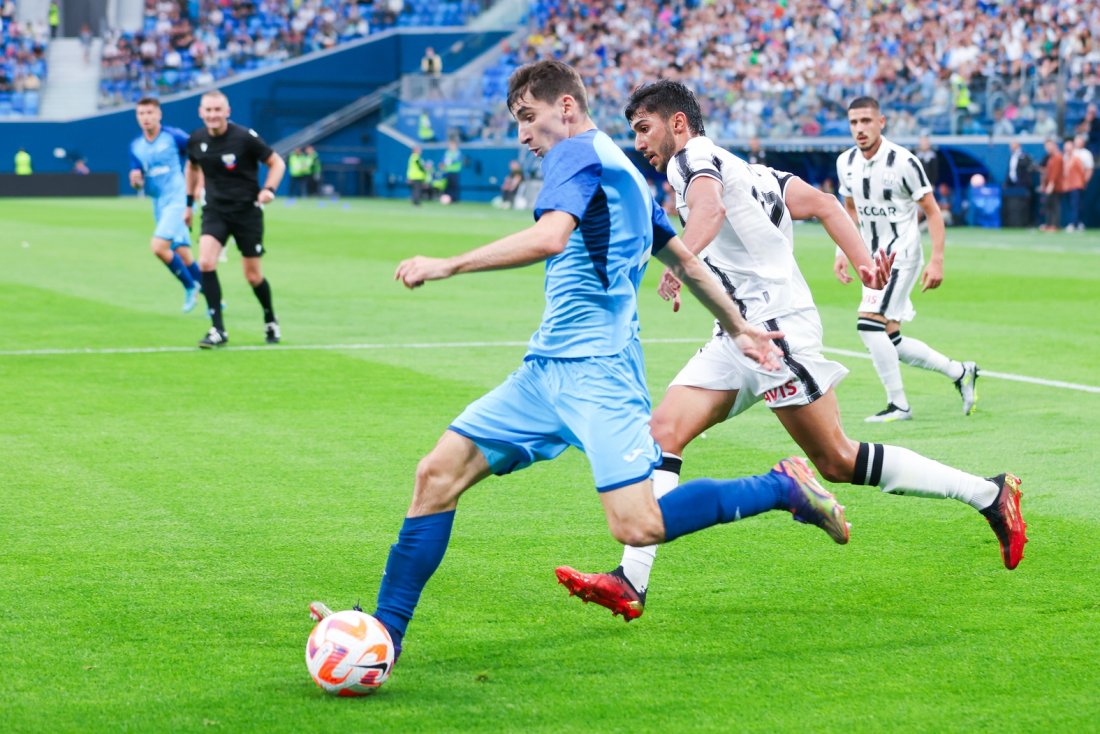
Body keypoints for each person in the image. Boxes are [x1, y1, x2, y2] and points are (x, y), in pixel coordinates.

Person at [309, 60, 852, 662]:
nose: (523, 134)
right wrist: (740, 326)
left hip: (599, 374)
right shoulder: (624, 173)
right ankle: (386, 632)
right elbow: (685, 262)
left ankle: (781, 487)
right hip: (544, 371)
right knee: (436, 475)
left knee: (638, 525)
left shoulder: (576, 153)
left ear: (565, 107)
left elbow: (550, 237)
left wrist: (448, 264)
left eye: (528, 116)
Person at [555, 80, 1028, 621]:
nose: (639, 142)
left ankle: (988, 494)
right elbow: (824, 204)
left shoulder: (691, 160)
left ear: (677, 123)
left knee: (837, 459)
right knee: (662, 431)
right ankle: (630, 580)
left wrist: (682, 263)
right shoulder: (752, 172)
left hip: (775, 333)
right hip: (738, 333)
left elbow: (709, 211)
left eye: (644, 128)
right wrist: (864, 261)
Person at [836, 97, 979, 422]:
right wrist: (842, 251)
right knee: (890, 337)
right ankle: (961, 372)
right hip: (870, 258)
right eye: (854, 122)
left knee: (868, 324)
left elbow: (932, 211)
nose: (860, 128)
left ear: (881, 122)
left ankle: (898, 405)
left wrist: (937, 260)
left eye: (866, 121)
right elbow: (850, 211)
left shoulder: (904, 162)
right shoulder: (845, 162)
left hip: (901, 255)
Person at [184, 90, 286, 349]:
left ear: (227, 112)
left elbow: (277, 163)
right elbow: (192, 167)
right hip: (215, 211)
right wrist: (189, 203)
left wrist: (269, 190)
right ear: (201, 112)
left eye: (217, 110)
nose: (213, 115)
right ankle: (217, 329)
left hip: (247, 212)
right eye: (208, 110)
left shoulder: (244, 137)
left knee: (253, 276)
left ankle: (270, 318)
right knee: (206, 262)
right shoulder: (196, 139)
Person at [130, 98, 203, 312]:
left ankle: (190, 286)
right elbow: (137, 178)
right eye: (141, 113)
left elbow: (199, 156)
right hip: (159, 203)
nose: (146, 117)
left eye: (149, 112)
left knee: (158, 247)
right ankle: (214, 299)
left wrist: (198, 186)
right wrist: (136, 182)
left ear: (159, 114)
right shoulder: (136, 146)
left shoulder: (174, 136)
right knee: (181, 252)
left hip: (179, 199)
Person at [1006, 140, 1036, 227]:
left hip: (1023, 185)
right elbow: (1010, 171)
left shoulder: (1024, 156)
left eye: (1013, 145)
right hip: (1013, 185)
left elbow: (1029, 168)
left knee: (1026, 205)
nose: (1011, 147)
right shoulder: (1011, 157)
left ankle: (1027, 223)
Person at [1060, 138, 1086, 232]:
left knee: (1076, 205)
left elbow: (1082, 172)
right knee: (1071, 205)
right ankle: (1077, 223)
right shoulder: (1064, 159)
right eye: (1066, 148)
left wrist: (1081, 182)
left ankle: (1074, 223)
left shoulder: (1076, 159)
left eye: (1069, 148)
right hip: (1067, 186)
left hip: (1076, 185)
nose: (1067, 150)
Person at [1040, 138, 1063, 233]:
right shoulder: (1051, 158)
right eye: (1046, 146)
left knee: (1055, 206)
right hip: (1049, 185)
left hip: (1055, 186)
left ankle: (1055, 225)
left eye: (1049, 146)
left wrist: (1051, 184)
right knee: (1049, 205)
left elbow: (1055, 173)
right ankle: (1049, 224)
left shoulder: (1058, 157)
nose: (1047, 148)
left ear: (1054, 145)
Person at [1073, 133, 1094, 231]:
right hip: (1070, 183)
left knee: (1078, 203)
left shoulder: (1086, 153)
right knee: (1073, 203)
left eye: (1079, 140)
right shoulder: (1072, 152)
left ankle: (1078, 222)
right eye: (1076, 140)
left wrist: (1084, 181)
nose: (1077, 142)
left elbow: (1089, 169)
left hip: (1079, 182)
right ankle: (1073, 222)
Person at [440, 139, 462, 203]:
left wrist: (449, 161)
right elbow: (443, 160)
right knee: (447, 186)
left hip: (455, 171)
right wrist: (442, 164)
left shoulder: (458, 153)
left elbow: (456, 160)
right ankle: (447, 198)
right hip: (447, 171)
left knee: (454, 186)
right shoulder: (447, 152)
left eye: (452, 145)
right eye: (450, 145)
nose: (451, 146)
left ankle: (455, 199)